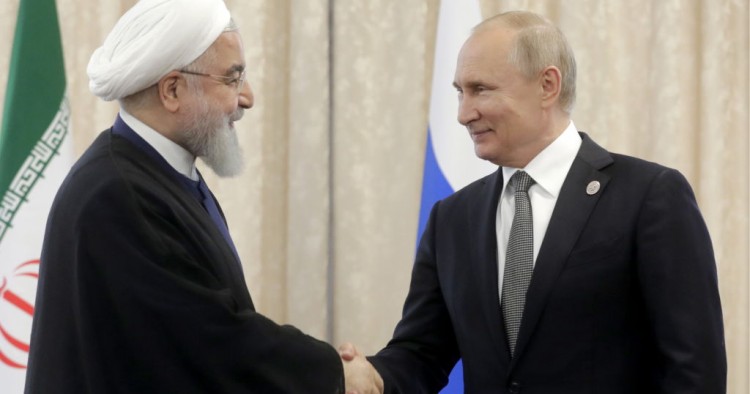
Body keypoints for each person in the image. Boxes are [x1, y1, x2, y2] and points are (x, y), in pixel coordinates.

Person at [340, 10, 727, 394]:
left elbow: (694, 370)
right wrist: (370, 377)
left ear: (547, 85)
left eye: (481, 89)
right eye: (460, 92)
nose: (463, 113)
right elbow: (421, 354)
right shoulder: (453, 218)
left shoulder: (648, 196)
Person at [25, 0, 357, 392]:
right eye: (232, 80)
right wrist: (333, 374)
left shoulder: (160, 175)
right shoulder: (115, 195)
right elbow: (210, 340)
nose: (247, 97)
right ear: (172, 89)